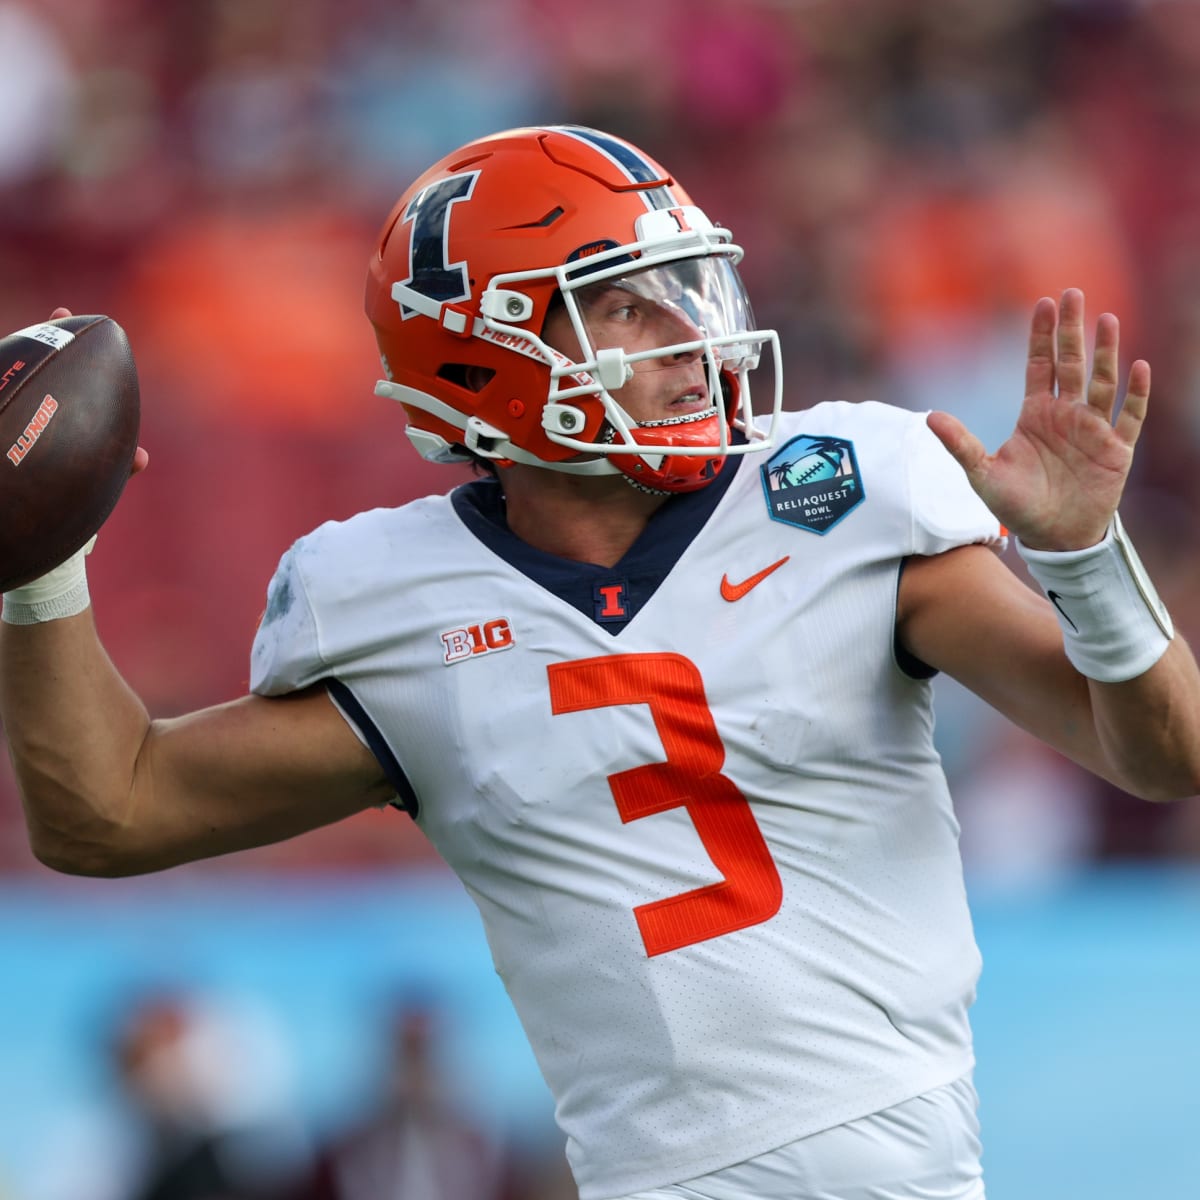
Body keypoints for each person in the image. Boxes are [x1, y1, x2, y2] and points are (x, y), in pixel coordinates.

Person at [3, 125, 1199, 1200]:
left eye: (693, 288)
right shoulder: (392, 604)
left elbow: (1163, 755)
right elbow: (106, 813)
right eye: (629, 303)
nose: (695, 335)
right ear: (480, 355)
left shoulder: (842, 494)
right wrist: (39, 567)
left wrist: (1086, 554)